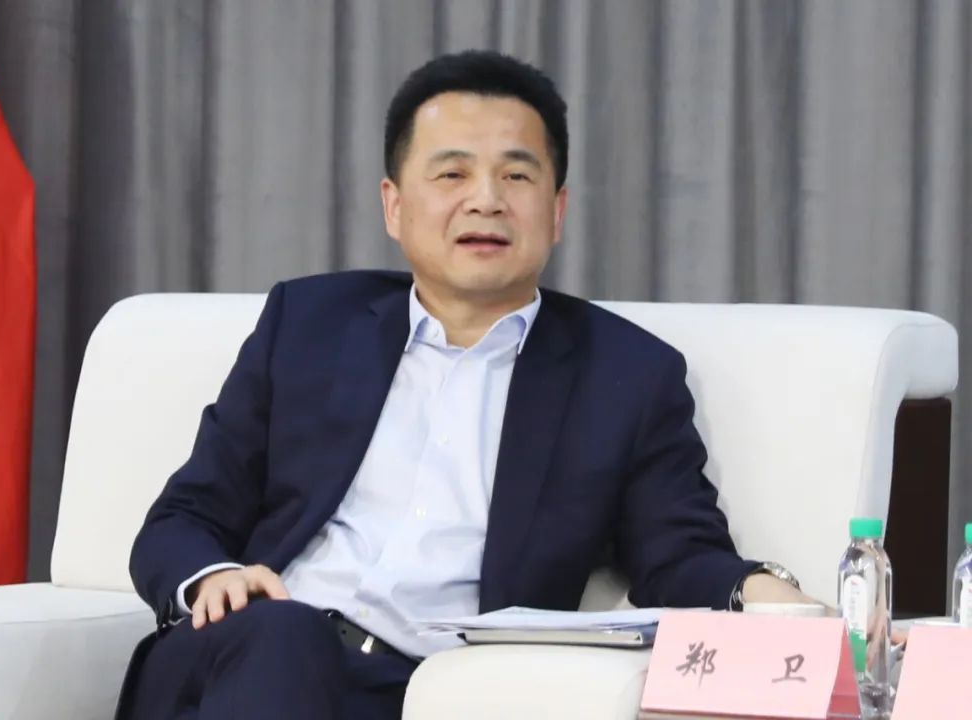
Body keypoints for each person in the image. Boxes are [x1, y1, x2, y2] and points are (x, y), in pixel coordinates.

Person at [117, 50, 813, 720]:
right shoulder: (307, 324)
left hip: (426, 691)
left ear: (557, 210)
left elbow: (677, 553)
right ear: (394, 206)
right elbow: (185, 517)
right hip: (244, 656)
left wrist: (765, 592)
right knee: (283, 636)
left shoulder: (625, 377)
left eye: (516, 176)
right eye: (452, 174)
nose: (486, 200)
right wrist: (213, 579)